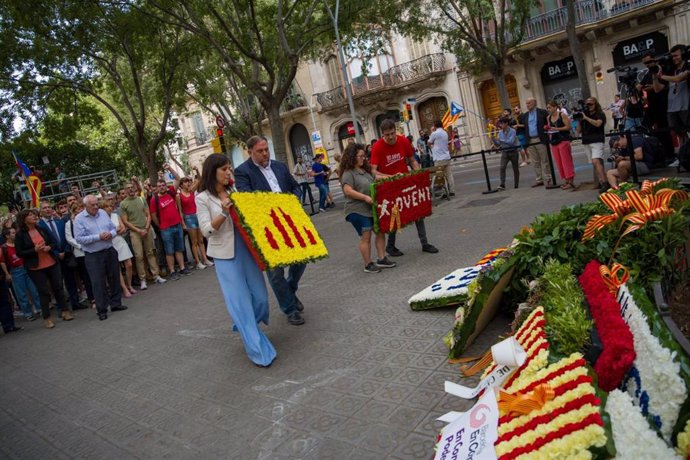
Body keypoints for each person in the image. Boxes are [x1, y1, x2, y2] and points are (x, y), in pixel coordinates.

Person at [196, 154, 276, 367]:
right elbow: (206, 231)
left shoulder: (234, 190)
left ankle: (245, 324)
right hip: (224, 255)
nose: (229, 172)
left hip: (247, 249)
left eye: (229, 168)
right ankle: (258, 349)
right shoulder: (202, 198)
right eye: (224, 169)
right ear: (213, 171)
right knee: (240, 303)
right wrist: (223, 212)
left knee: (260, 297)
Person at [235, 135, 307, 326]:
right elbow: (247, 198)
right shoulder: (242, 172)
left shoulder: (280, 166)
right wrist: (275, 205)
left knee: (302, 259)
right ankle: (289, 309)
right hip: (266, 228)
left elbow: (295, 187)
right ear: (250, 152)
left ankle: (290, 290)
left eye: (266, 149)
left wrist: (293, 199)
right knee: (275, 272)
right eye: (260, 151)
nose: (265, 153)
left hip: (291, 221)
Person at [370, 119, 439, 257]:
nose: (390, 137)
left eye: (392, 133)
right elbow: (374, 172)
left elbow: (412, 160)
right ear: (382, 134)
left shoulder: (403, 141)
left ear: (395, 131)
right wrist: (390, 177)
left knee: (418, 212)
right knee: (394, 216)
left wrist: (418, 175)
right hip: (390, 186)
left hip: (406, 182)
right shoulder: (377, 147)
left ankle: (424, 243)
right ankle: (390, 245)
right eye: (387, 135)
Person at [339, 143, 397, 273]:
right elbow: (348, 191)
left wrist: (393, 177)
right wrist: (365, 197)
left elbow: (377, 177)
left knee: (380, 231)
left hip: (370, 208)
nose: (363, 158)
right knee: (366, 235)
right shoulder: (349, 173)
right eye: (360, 156)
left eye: (364, 156)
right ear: (352, 157)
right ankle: (368, 264)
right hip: (356, 210)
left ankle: (382, 259)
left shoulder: (365, 171)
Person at [14, 209, 73, 328]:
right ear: (24, 219)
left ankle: (65, 311)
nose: (34, 216)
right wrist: (34, 250)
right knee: (43, 292)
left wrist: (49, 247)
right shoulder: (20, 235)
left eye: (34, 214)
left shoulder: (41, 228)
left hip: (51, 262)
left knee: (58, 287)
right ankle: (47, 318)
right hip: (36, 267)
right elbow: (19, 253)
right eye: (30, 215)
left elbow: (53, 242)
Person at [74, 195, 128, 321]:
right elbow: (79, 239)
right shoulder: (79, 219)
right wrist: (98, 237)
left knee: (114, 277)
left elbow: (113, 228)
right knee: (98, 282)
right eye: (92, 205)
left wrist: (111, 234)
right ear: (85, 206)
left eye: (97, 204)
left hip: (109, 250)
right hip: (93, 255)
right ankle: (102, 309)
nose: (96, 207)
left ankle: (116, 303)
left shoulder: (103, 213)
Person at [119, 182, 166, 289]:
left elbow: (148, 214)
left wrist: (146, 228)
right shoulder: (123, 204)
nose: (130, 189)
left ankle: (156, 275)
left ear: (135, 188)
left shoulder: (141, 199)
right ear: (125, 191)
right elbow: (125, 221)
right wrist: (138, 230)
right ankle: (143, 280)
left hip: (146, 229)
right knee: (139, 256)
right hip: (135, 232)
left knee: (150, 253)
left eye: (132, 187)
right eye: (128, 188)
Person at [37, 200, 81, 312]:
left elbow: (67, 237)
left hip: (65, 255)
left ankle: (75, 302)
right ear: (40, 211)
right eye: (44, 208)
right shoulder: (39, 226)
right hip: (52, 257)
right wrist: (56, 253)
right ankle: (62, 307)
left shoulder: (60, 222)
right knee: (56, 284)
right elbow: (44, 243)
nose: (47, 209)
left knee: (70, 280)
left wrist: (65, 251)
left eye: (49, 207)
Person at [150, 179, 190, 280]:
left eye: (163, 185)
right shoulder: (154, 199)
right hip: (166, 229)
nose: (162, 187)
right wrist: (160, 225)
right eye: (159, 186)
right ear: (157, 188)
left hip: (177, 225)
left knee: (179, 248)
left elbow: (177, 179)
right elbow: (153, 215)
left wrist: (169, 169)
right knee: (169, 251)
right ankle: (172, 271)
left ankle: (182, 268)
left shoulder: (171, 193)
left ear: (166, 186)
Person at [639, 53, 675, 165]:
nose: (648, 65)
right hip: (652, 106)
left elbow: (660, 87)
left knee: (664, 130)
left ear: (655, 59)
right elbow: (642, 86)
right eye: (645, 63)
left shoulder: (661, 69)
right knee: (650, 129)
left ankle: (670, 155)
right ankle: (661, 153)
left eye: (649, 62)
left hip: (663, 104)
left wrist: (651, 87)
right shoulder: (648, 73)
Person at [2, 227, 41, 321]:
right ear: (7, 236)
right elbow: (2, 261)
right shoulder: (4, 248)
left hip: (26, 267)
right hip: (15, 271)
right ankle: (27, 313)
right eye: (12, 233)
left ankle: (39, 308)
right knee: (22, 294)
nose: (15, 234)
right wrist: (7, 273)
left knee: (34, 290)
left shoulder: (20, 244)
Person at [656, 44, 690, 147]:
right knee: (679, 134)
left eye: (676, 56)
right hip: (672, 108)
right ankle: (684, 155)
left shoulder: (688, 66)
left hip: (685, 105)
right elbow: (658, 89)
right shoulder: (671, 70)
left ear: (683, 55)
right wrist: (655, 74)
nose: (674, 58)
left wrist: (662, 76)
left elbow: (678, 79)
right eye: (672, 56)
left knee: (688, 131)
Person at [101, 199, 136, 298]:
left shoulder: (115, 216)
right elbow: (106, 234)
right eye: (107, 206)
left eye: (110, 206)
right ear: (103, 209)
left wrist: (115, 231)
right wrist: (116, 230)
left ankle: (129, 285)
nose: (109, 208)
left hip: (120, 241)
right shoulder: (101, 219)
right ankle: (124, 288)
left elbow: (123, 228)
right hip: (111, 243)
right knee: (117, 267)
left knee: (129, 264)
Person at [176, 176, 212, 270]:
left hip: (197, 215)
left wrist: (196, 171)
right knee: (194, 242)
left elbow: (200, 180)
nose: (188, 183)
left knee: (201, 240)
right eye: (185, 182)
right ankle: (198, 261)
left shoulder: (192, 192)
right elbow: (180, 211)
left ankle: (205, 259)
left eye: (188, 181)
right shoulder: (179, 196)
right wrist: (183, 223)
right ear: (181, 185)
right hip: (189, 218)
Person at [64, 202, 95, 309]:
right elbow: (69, 238)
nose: (80, 210)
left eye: (81, 208)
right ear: (73, 211)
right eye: (77, 209)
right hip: (80, 252)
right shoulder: (69, 223)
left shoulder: (89, 219)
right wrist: (81, 245)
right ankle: (92, 298)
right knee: (86, 277)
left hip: (92, 249)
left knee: (95, 274)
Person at [577, 97, 608, 193]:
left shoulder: (600, 114)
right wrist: (579, 120)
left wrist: (586, 118)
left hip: (597, 140)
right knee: (595, 163)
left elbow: (598, 124)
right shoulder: (584, 115)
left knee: (596, 161)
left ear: (596, 104)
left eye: (591, 104)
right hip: (586, 141)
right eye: (587, 104)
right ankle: (604, 181)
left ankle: (604, 183)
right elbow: (578, 131)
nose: (589, 106)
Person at [518, 98, 552, 186]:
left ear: (534, 103)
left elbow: (549, 123)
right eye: (526, 103)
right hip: (530, 140)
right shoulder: (525, 115)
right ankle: (539, 179)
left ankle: (548, 178)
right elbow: (524, 126)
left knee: (544, 160)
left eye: (529, 103)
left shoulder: (543, 112)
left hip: (540, 139)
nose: (527, 105)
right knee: (535, 161)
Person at [546, 100, 575, 190]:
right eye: (547, 108)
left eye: (550, 107)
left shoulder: (562, 114)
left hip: (563, 140)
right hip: (554, 141)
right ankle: (566, 180)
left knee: (566, 161)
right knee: (559, 163)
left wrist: (557, 128)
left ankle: (571, 181)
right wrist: (549, 131)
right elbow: (550, 128)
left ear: (555, 107)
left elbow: (568, 127)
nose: (548, 109)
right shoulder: (548, 117)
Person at [427, 120, 456, 196]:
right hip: (446, 156)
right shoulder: (445, 132)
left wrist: (432, 147)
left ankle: (444, 192)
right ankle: (452, 190)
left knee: (440, 177)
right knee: (449, 174)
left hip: (439, 158)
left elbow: (429, 143)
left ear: (435, 125)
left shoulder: (434, 133)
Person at [491, 117, 520, 190]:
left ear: (506, 123)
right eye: (500, 124)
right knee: (502, 167)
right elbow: (498, 144)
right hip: (504, 152)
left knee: (515, 168)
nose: (500, 125)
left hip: (513, 151)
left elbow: (511, 142)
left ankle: (516, 184)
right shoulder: (500, 132)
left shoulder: (513, 131)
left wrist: (500, 139)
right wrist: (493, 139)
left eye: (502, 123)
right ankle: (502, 184)